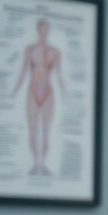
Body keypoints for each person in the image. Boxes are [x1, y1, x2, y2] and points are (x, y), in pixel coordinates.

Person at [10, 18, 66, 176]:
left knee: (46, 130)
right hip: (33, 90)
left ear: (48, 31)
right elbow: (23, 71)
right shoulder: (30, 49)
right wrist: (14, 91)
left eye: (46, 29)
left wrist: (65, 93)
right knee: (33, 129)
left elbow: (59, 75)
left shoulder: (55, 52)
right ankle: (36, 164)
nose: (43, 31)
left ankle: (44, 164)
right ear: (37, 30)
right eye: (41, 28)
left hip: (48, 92)